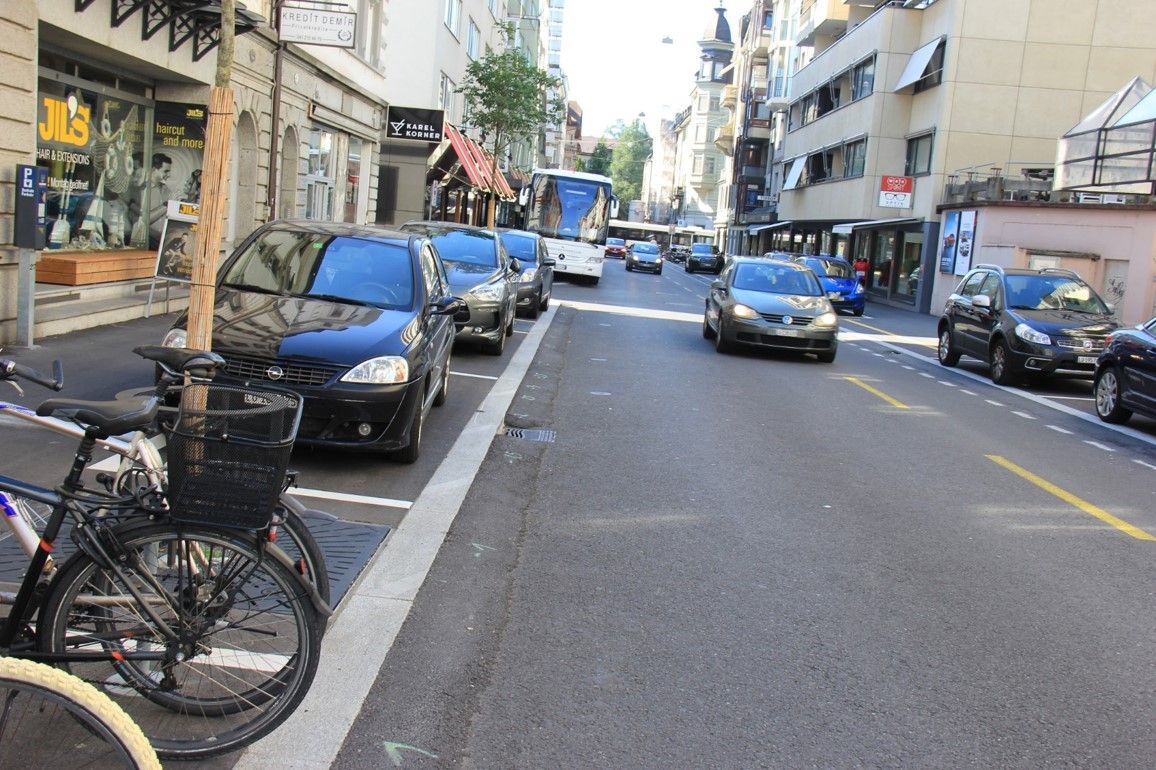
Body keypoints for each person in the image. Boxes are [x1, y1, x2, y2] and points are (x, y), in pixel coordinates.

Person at [146, 153, 173, 250]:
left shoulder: (167, 190)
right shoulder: (142, 190)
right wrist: (167, 205)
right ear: (153, 169)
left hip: (164, 243)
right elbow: (144, 220)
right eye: (165, 171)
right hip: (148, 243)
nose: (168, 175)